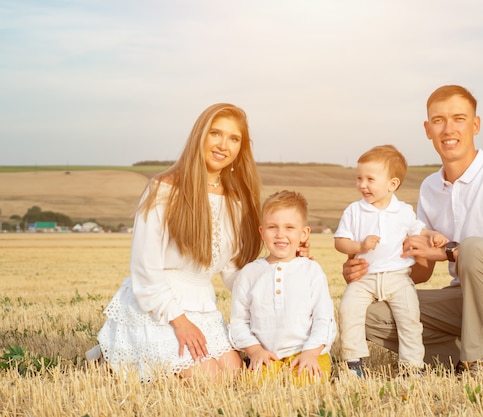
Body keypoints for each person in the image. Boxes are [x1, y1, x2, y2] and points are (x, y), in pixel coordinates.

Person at [343, 85, 483, 375]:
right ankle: (460, 358)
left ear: (475, 125)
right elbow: (421, 269)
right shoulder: (429, 188)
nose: (448, 129)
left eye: (459, 118)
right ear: (428, 129)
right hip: (462, 303)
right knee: (367, 312)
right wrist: (367, 269)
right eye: (438, 120)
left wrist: (447, 251)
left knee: (475, 247)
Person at [86, 103, 264, 380]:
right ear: (199, 136)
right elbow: (145, 268)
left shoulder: (235, 201)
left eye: (234, 138)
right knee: (210, 379)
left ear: (241, 147)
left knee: (233, 375)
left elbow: (231, 271)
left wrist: (284, 266)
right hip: (159, 307)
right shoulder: (164, 188)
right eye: (215, 134)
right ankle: (113, 356)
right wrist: (179, 322)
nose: (223, 145)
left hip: (203, 305)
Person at [334, 145, 447, 377]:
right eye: (359, 178)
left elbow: (419, 231)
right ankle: (353, 363)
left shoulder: (403, 211)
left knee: (409, 318)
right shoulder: (354, 211)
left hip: (397, 278)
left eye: (370, 179)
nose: (362, 185)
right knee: (348, 310)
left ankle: (413, 366)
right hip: (364, 278)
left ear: (392, 184)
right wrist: (360, 246)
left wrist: (432, 236)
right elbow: (340, 242)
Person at [229, 190, 337, 384]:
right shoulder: (249, 273)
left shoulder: (311, 270)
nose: (280, 235)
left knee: (307, 382)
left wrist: (311, 353)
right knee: (257, 384)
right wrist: (255, 350)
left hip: (306, 351)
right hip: (266, 355)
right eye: (272, 227)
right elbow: (239, 322)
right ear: (262, 232)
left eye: (289, 227)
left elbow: (324, 318)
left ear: (304, 233)